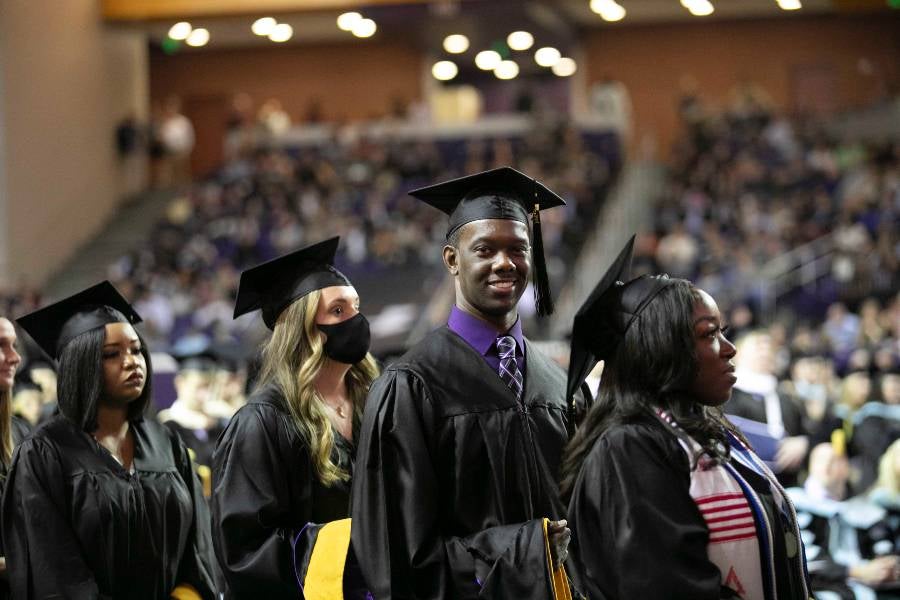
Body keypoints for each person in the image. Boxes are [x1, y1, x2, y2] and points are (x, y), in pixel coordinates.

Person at [352, 166, 584, 599]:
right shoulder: (411, 388)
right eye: (485, 249)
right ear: (452, 260)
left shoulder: (558, 385)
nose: (505, 263)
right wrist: (525, 550)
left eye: (519, 248)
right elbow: (395, 556)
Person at [560, 237, 811, 600]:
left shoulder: (707, 432)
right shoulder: (628, 448)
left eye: (722, 332)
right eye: (709, 334)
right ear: (662, 349)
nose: (730, 349)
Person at [3, 281, 217, 599]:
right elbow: (55, 574)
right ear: (81, 363)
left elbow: (198, 552)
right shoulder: (44, 454)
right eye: (111, 354)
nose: (132, 361)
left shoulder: (167, 445)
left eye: (136, 350)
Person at [212, 236, 379, 599]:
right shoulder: (261, 424)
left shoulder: (376, 404)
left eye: (356, 306)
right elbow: (244, 552)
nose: (356, 319)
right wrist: (356, 546)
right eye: (338, 311)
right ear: (303, 328)